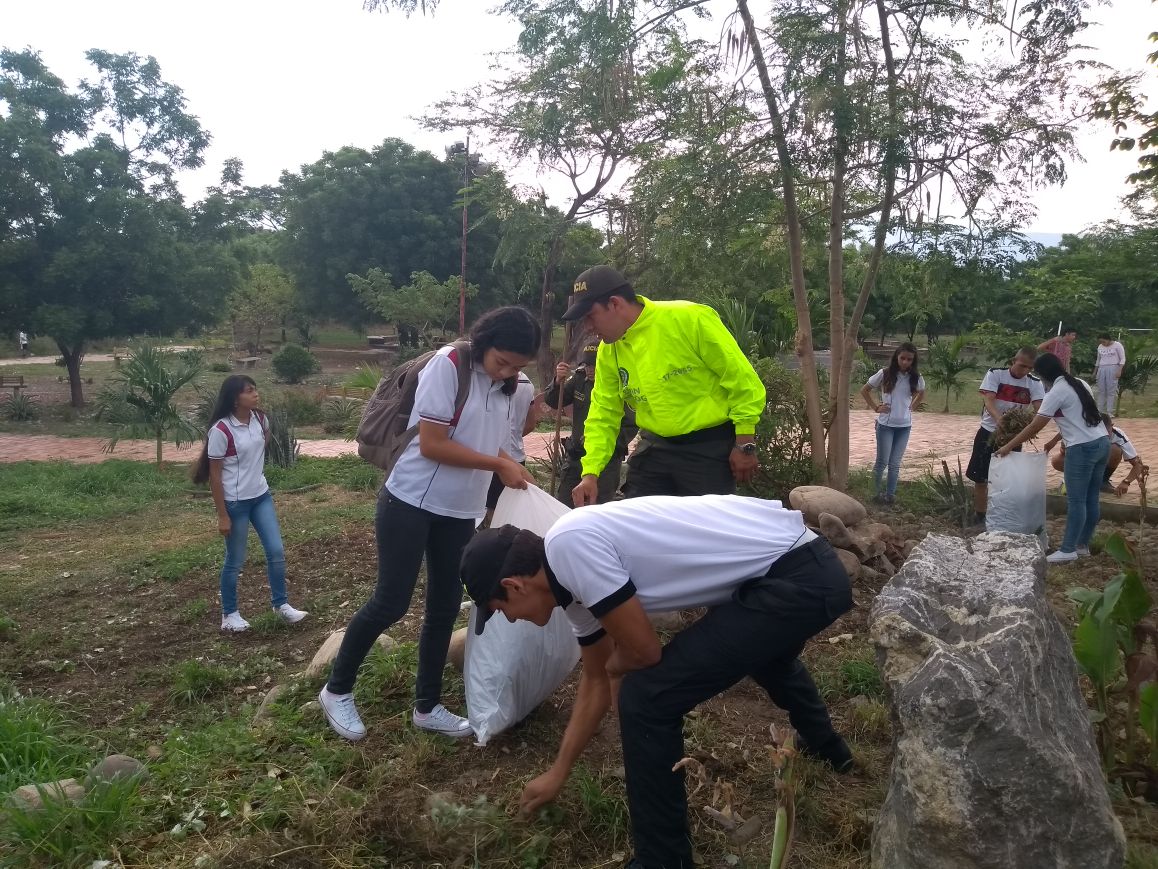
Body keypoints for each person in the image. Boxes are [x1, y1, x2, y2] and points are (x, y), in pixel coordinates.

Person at [460, 494, 853, 869]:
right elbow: (595, 680)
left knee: (647, 698)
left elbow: (643, 653)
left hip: (800, 576)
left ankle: (662, 860)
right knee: (768, 656)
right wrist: (558, 771)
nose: (510, 620)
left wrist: (619, 675)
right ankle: (830, 749)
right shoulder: (572, 586)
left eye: (501, 611)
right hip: (795, 566)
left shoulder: (570, 546)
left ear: (514, 585)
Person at [319, 307, 541, 742]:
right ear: (485, 341)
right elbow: (434, 444)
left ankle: (427, 706)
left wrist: (510, 467)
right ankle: (337, 689)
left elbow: (493, 438)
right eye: (504, 361)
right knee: (391, 602)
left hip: (461, 510)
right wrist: (497, 463)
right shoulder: (450, 365)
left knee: (443, 607)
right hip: (412, 501)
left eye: (518, 366)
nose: (510, 372)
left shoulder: (505, 384)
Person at [560, 265, 766, 506]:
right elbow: (603, 414)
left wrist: (744, 443)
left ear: (615, 304)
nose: (588, 327)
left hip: (707, 448)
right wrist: (590, 473)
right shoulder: (609, 351)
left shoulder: (689, 319)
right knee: (642, 523)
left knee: (703, 533)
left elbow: (742, 380)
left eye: (590, 316)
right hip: (655, 446)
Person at [192, 375, 309, 633]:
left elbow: (260, 445)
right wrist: (222, 515)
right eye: (249, 391)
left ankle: (281, 605)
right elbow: (215, 475)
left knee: (276, 551)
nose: (256, 394)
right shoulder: (221, 431)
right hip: (236, 503)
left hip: (260, 496)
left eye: (255, 389)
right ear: (235, 399)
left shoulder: (260, 419)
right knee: (235, 559)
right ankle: (229, 614)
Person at [996, 352, 1110, 563]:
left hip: (1082, 449)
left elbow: (1035, 425)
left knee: (1076, 501)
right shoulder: (1080, 383)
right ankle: (1082, 545)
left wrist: (1008, 446)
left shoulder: (1056, 392)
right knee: (1091, 498)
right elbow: (1076, 419)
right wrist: (1056, 441)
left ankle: (1067, 550)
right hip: (1102, 442)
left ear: (1043, 375)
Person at [543, 340, 638, 506]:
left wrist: (600, 442)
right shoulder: (580, 379)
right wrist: (558, 381)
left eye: (594, 365)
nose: (590, 369)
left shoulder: (621, 384)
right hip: (576, 456)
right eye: (586, 365)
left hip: (605, 461)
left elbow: (631, 424)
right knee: (563, 506)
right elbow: (554, 401)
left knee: (597, 510)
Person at [964, 347, 1045, 526]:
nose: (1025, 370)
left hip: (1013, 437)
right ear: (1012, 361)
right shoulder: (995, 374)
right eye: (1022, 365)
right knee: (980, 477)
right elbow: (989, 399)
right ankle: (979, 515)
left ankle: (1002, 515)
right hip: (988, 431)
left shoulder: (1034, 383)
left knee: (1007, 479)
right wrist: (999, 419)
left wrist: (1030, 423)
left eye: (1029, 368)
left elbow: (1040, 408)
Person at [859, 342, 926, 505]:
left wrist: (913, 406)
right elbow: (864, 390)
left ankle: (890, 496)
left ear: (913, 361)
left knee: (895, 464)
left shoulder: (916, 377)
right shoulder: (884, 373)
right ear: (896, 357)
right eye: (902, 358)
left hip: (905, 426)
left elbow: (922, 392)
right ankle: (874, 494)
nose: (905, 362)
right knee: (882, 462)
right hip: (886, 426)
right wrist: (876, 407)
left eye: (909, 359)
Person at [482, 369, 539, 526]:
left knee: (494, 510)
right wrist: (515, 436)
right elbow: (531, 424)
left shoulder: (491, 379)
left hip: (492, 457)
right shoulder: (528, 383)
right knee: (513, 511)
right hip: (517, 456)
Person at [1047, 413, 1147, 496]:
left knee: (1115, 449)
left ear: (1112, 426)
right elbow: (1066, 443)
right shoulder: (1083, 432)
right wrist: (1059, 444)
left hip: (1101, 462)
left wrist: (1126, 482)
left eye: (1105, 432)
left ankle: (1103, 481)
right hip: (1083, 463)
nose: (1102, 435)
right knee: (1057, 460)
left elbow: (1138, 464)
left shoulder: (1118, 435)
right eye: (1098, 432)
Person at [1094, 332, 1126, 416]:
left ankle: (1109, 412)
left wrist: (1119, 370)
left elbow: (1122, 358)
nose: (1102, 343)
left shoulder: (1117, 345)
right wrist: (1095, 372)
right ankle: (1099, 411)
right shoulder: (1100, 347)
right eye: (1100, 342)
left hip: (1113, 368)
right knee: (1101, 390)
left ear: (1108, 339)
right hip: (1102, 368)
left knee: (1110, 390)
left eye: (1104, 341)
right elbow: (1098, 360)